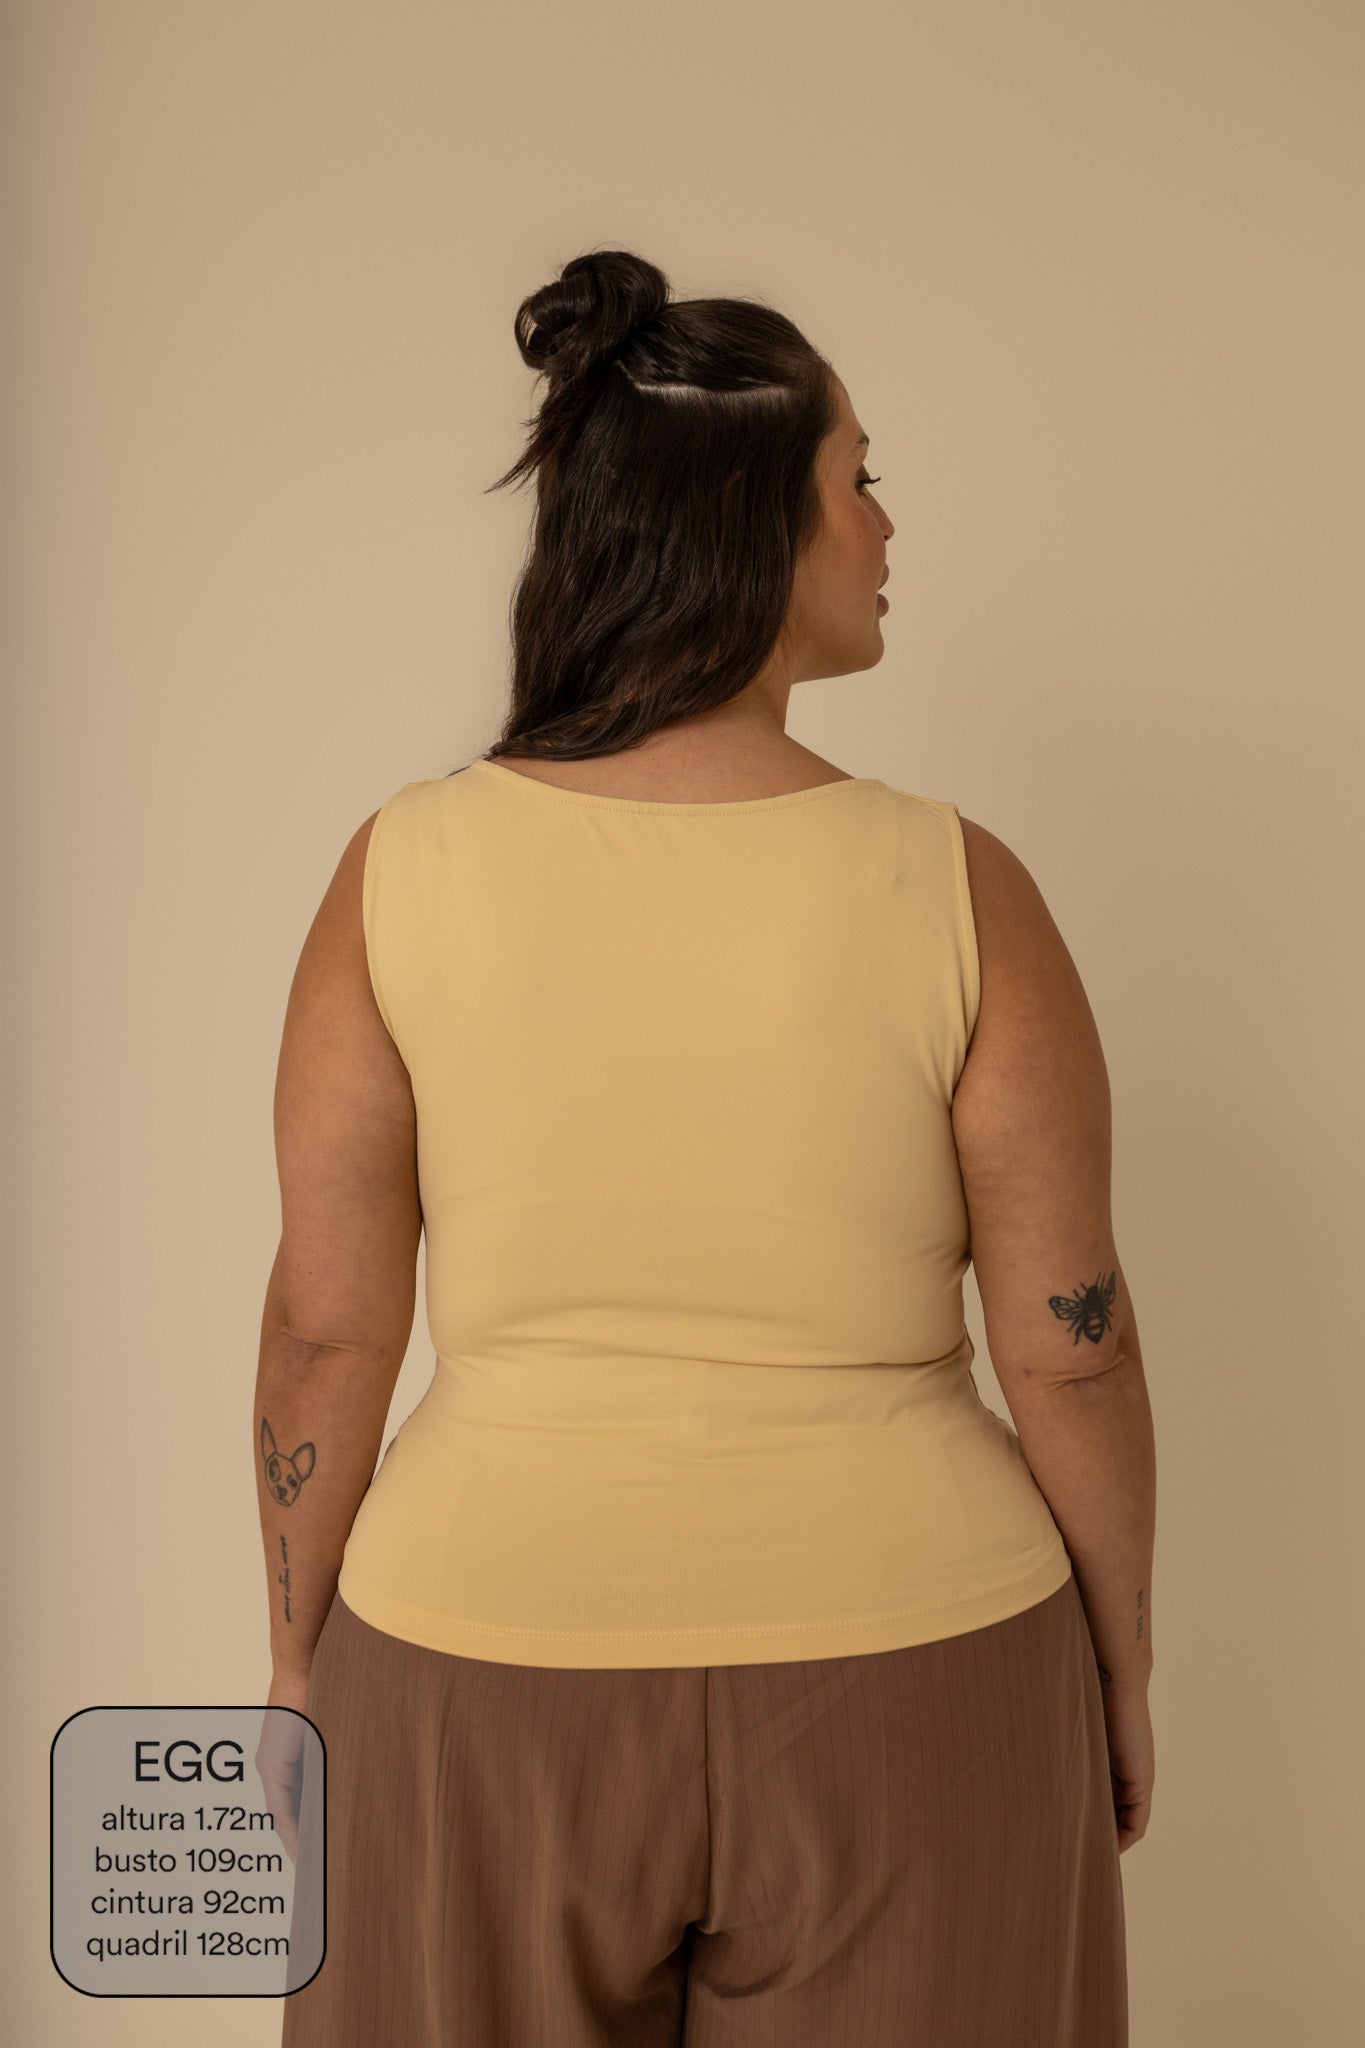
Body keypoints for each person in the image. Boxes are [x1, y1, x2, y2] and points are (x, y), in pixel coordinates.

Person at [258, 248, 1156, 2047]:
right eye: (857, 479)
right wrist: (1117, 1663)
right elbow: (1071, 1347)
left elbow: (327, 1329)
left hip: (473, 1660)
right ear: (751, 520)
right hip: (920, 1665)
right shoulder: (956, 883)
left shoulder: (402, 867)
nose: (885, 525)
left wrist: (296, 1662)